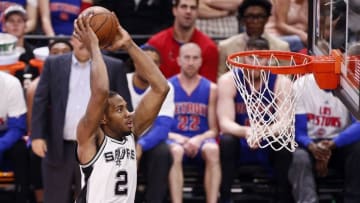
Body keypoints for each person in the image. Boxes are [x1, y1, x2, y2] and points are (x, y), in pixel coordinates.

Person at [73, 14, 169, 202]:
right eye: (119, 110)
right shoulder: (90, 136)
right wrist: (94, 47)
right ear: (103, 118)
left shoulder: (131, 131)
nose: (127, 113)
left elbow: (161, 88)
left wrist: (129, 44)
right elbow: (100, 91)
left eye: (125, 107)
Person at [31, 25, 132, 203]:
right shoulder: (54, 64)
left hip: (98, 148)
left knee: (94, 198)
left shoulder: (114, 66)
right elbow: (40, 101)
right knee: (54, 198)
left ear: (97, 43)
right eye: (79, 37)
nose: (83, 42)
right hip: (59, 144)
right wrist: (37, 136)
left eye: (89, 38)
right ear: (72, 41)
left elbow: (124, 108)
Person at [217, 37, 293, 203]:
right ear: (243, 57)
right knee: (226, 141)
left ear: (269, 59)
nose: (255, 62)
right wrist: (248, 131)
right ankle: (225, 197)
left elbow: (284, 123)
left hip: (268, 142)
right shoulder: (228, 80)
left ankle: (283, 197)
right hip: (241, 141)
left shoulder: (281, 82)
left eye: (260, 57)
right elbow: (225, 122)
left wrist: (261, 132)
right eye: (251, 57)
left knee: (284, 142)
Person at [288, 76, 360, 202]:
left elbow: (359, 124)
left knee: (358, 149)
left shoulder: (350, 84)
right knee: (299, 157)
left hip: (339, 142)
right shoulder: (301, 84)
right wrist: (312, 147)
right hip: (310, 143)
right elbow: (298, 132)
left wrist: (333, 144)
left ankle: (353, 199)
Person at [167, 42, 220, 203]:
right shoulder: (168, 86)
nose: (190, 62)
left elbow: (214, 130)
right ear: (178, 60)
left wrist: (198, 139)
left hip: (201, 140)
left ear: (201, 61)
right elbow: (161, 125)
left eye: (195, 58)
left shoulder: (211, 88)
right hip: (175, 138)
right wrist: (180, 139)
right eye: (187, 57)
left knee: (213, 149)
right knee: (175, 151)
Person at [26, 38, 73, 203]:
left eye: (64, 52)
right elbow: (32, 123)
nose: (60, 56)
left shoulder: (80, 79)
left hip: (74, 136)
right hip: (47, 136)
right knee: (34, 155)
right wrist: (37, 138)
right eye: (55, 53)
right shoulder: (35, 85)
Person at [126, 45, 174, 203]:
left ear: (159, 66)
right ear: (135, 62)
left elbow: (163, 126)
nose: (149, 66)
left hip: (148, 140)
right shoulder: (122, 80)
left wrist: (141, 145)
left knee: (162, 151)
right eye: (145, 61)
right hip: (122, 138)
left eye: (154, 63)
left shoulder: (166, 86)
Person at [146, 0, 219, 82]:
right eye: (184, 7)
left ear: (197, 12)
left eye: (193, 8)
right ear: (174, 10)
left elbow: (208, 89)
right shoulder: (155, 43)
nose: (188, 11)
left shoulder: (209, 47)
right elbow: (149, 82)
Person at [217, 0, 289, 77]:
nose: (255, 21)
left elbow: (286, 79)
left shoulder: (281, 48)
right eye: (250, 16)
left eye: (260, 16)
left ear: (267, 19)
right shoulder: (225, 46)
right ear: (243, 20)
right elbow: (220, 78)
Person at [0, 71, 29, 203]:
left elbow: (18, 127)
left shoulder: (11, 83)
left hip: (7, 133)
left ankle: (22, 196)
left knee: (21, 151)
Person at [2, 5, 38, 82]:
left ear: (25, 26)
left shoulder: (34, 54)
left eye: (19, 21)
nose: (15, 24)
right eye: (11, 21)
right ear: (4, 26)